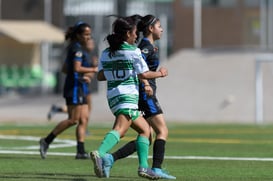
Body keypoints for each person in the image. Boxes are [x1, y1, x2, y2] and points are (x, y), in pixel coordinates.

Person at [90, 16, 168, 180]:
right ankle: (101, 153)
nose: (136, 36)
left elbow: (100, 76)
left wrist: (118, 71)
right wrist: (160, 74)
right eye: (134, 33)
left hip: (113, 97)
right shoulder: (133, 52)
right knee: (120, 129)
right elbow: (144, 74)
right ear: (127, 34)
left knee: (145, 130)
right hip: (128, 96)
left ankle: (143, 168)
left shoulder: (106, 53)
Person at [39, 21, 98, 160]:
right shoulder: (77, 48)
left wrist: (85, 75)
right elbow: (76, 68)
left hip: (80, 86)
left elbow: (65, 69)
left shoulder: (79, 48)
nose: (89, 37)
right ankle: (46, 141)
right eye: (86, 34)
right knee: (73, 120)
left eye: (90, 34)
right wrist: (93, 69)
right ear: (78, 35)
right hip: (75, 88)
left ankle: (80, 151)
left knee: (84, 119)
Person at [47, 39, 98, 122]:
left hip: (82, 86)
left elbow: (66, 69)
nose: (92, 45)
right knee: (77, 113)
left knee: (81, 110)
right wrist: (89, 71)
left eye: (92, 43)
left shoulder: (87, 55)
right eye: (90, 43)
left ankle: (59, 109)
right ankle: (83, 127)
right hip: (79, 86)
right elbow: (68, 69)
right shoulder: (80, 54)